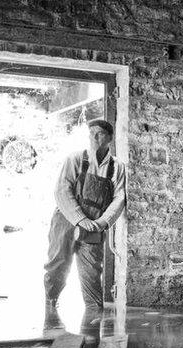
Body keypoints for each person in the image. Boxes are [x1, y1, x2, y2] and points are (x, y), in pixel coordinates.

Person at [44, 119, 126, 309]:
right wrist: (80, 219)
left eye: (100, 134)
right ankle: (50, 309)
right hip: (66, 220)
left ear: (110, 138)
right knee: (57, 265)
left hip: (95, 225)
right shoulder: (76, 159)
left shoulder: (116, 167)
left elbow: (119, 198)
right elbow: (62, 191)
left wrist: (102, 222)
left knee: (91, 272)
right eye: (92, 134)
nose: (94, 138)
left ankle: (93, 320)